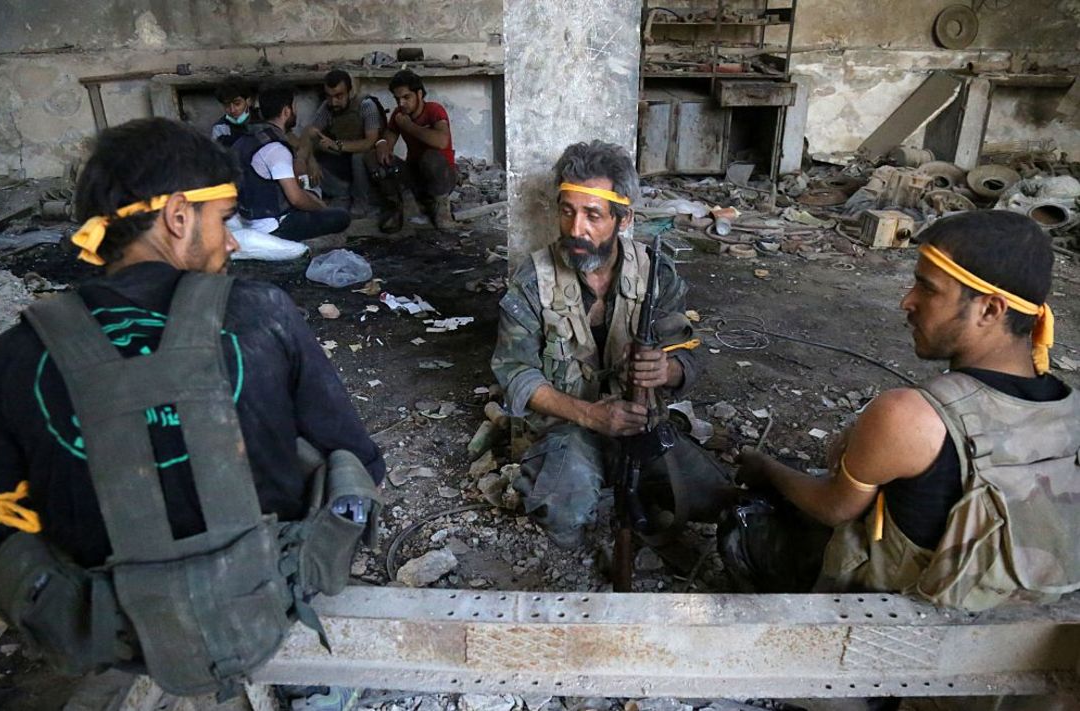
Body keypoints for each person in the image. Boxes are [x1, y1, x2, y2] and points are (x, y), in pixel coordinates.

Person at [0, 118, 384, 694]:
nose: (233, 241)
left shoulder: (7, 360)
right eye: (226, 220)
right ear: (179, 216)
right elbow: (360, 458)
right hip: (265, 605)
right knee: (312, 437)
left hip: (112, 639)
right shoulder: (262, 313)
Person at [726, 210, 1079, 611]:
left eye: (927, 289)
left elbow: (833, 507)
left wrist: (765, 468)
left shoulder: (912, 416)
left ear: (990, 310)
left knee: (746, 520)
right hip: (1025, 613)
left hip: (916, 621)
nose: (906, 300)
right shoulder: (1069, 407)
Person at [490, 141, 729, 548]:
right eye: (567, 211)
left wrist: (665, 370)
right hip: (568, 427)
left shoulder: (655, 274)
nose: (575, 229)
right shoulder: (533, 280)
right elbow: (514, 374)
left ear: (623, 218)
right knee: (564, 512)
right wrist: (591, 416)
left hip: (640, 422)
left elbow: (686, 356)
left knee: (714, 499)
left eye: (593, 215)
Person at [232, 85, 351, 242]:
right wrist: (321, 208)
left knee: (307, 187)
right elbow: (296, 198)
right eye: (294, 108)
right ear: (286, 112)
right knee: (341, 217)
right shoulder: (275, 148)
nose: (295, 113)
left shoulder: (246, 139)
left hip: (248, 217)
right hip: (272, 226)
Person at [372, 69, 457, 232]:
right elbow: (388, 136)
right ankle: (398, 207)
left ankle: (441, 209)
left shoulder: (434, 110)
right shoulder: (399, 114)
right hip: (415, 175)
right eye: (397, 99)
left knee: (430, 158)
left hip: (443, 177)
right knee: (373, 157)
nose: (401, 103)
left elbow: (441, 141)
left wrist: (410, 127)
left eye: (406, 97)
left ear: (419, 94)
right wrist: (382, 144)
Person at [301, 69, 385, 215]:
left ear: (349, 92)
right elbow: (308, 133)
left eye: (339, 96)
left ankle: (361, 203)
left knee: (359, 157)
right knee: (305, 156)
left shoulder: (366, 105)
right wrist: (311, 160)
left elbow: (370, 142)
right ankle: (341, 194)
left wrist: (337, 145)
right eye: (329, 96)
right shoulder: (327, 107)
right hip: (341, 161)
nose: (333, 102)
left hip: (365, 163)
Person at [210, 80, 257, 147]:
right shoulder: (220, 128)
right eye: (227, 105)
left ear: (248, 101)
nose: (232, 110)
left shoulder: (261, 119)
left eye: (237, 104)